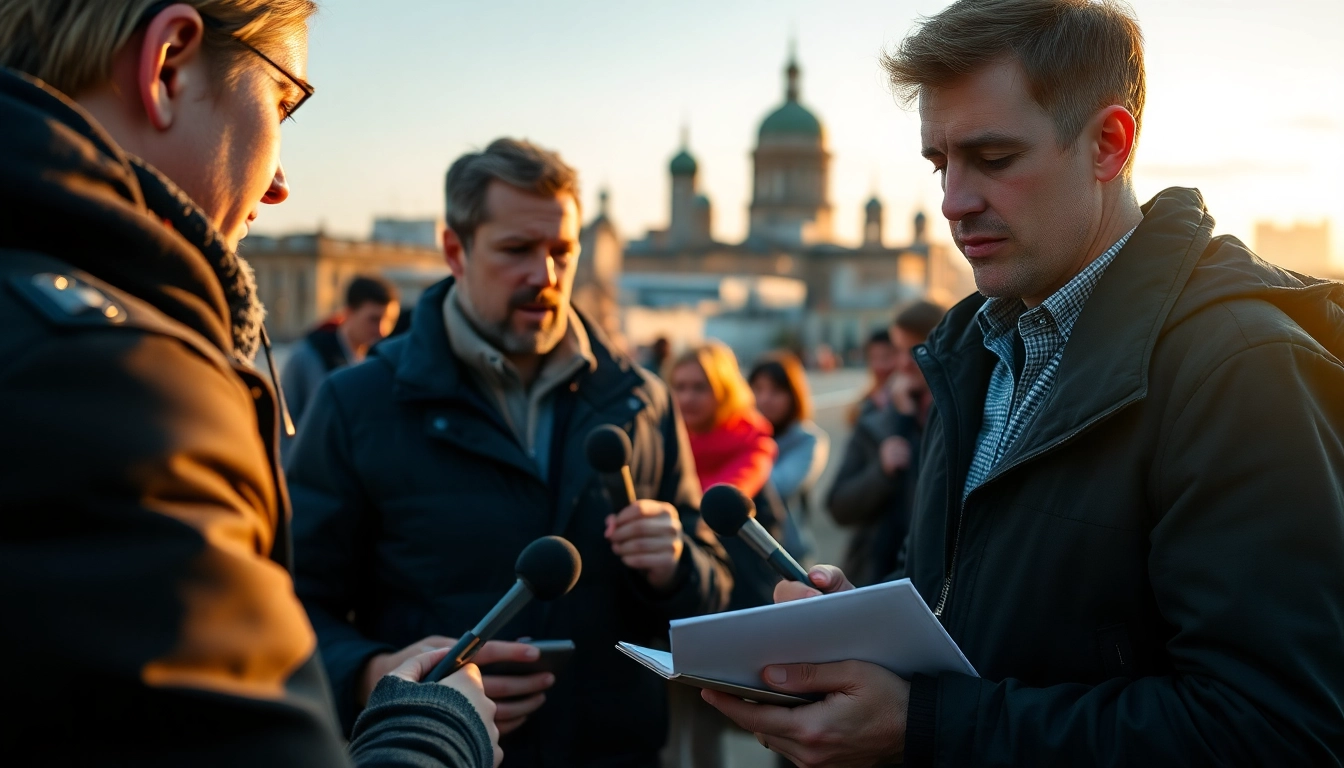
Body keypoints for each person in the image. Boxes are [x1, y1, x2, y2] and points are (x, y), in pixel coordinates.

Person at [702, 1, 1344, 765]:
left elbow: (1276, 732)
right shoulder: (974, 350)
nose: (953, 204)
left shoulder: (1241, 368)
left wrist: (925, 725)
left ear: (1109, 143)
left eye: (995, 159)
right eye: (940, 165)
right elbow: (995, 620)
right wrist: (874, 639)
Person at [0, 1, 500, 765]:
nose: (279, 189)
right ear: (168, 64)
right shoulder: (118, 389)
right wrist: (432, 730)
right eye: (283, 104)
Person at [285, 138, 733, 768]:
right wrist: (374, 674)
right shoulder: (356, 404)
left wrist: (677, 564)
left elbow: (712, 597)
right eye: (517, 250)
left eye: (562, 252)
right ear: (454, 250)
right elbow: (291, 606)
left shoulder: (641, 401)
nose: (544, 277)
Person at [665, 341, 778, 768]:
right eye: (678, 386)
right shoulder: (663, 440)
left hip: (727, 602)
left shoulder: (752, 441)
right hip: (670, 598)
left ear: (724, 391)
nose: (686, 397)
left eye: (699, 387)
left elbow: (719, 503)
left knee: (706, 726)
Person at [825, 300, 944, 586]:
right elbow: (839, 506)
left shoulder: (968, 416)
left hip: (932, 580)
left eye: (916, 350)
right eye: (899, 351)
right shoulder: (875, 418)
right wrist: (882, 469)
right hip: (873, 574)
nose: (903, 363)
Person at [282, 274, 400, 424]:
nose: (382, 330)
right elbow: (283, 426)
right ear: (349, 312)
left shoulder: (385, 364)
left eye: (390, 320)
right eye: (373, 319)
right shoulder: (305, 358)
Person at [747, 351, 829, 562]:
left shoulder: (808, 440)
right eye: (758, 389)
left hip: (786, 555)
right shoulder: (742, 435)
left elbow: (779, 485)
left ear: (794, 395)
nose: (765, 399)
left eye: (776, 391)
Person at [845, 329, 897, 426]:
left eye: (886, 357)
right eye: (873, 358)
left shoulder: (908, 399)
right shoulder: (865, 401)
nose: (879, 366)